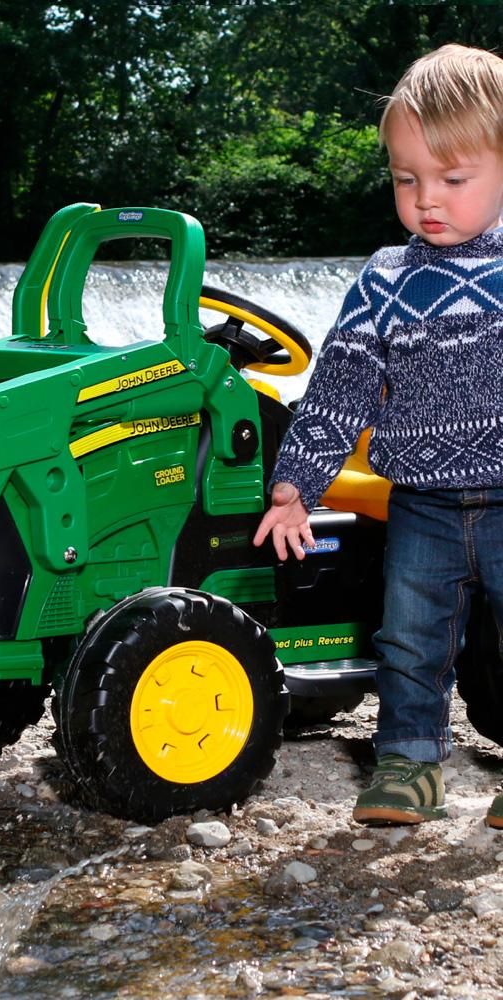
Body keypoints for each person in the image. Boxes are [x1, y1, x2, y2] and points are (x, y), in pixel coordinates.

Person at [253, 43, 503, 827]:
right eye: (406, 179)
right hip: (421, 504)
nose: (427, 199)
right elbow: (340, 386)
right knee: (408, 639)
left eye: (453, 180)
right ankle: (407, 763)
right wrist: (297, 486)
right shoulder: (386, 278)